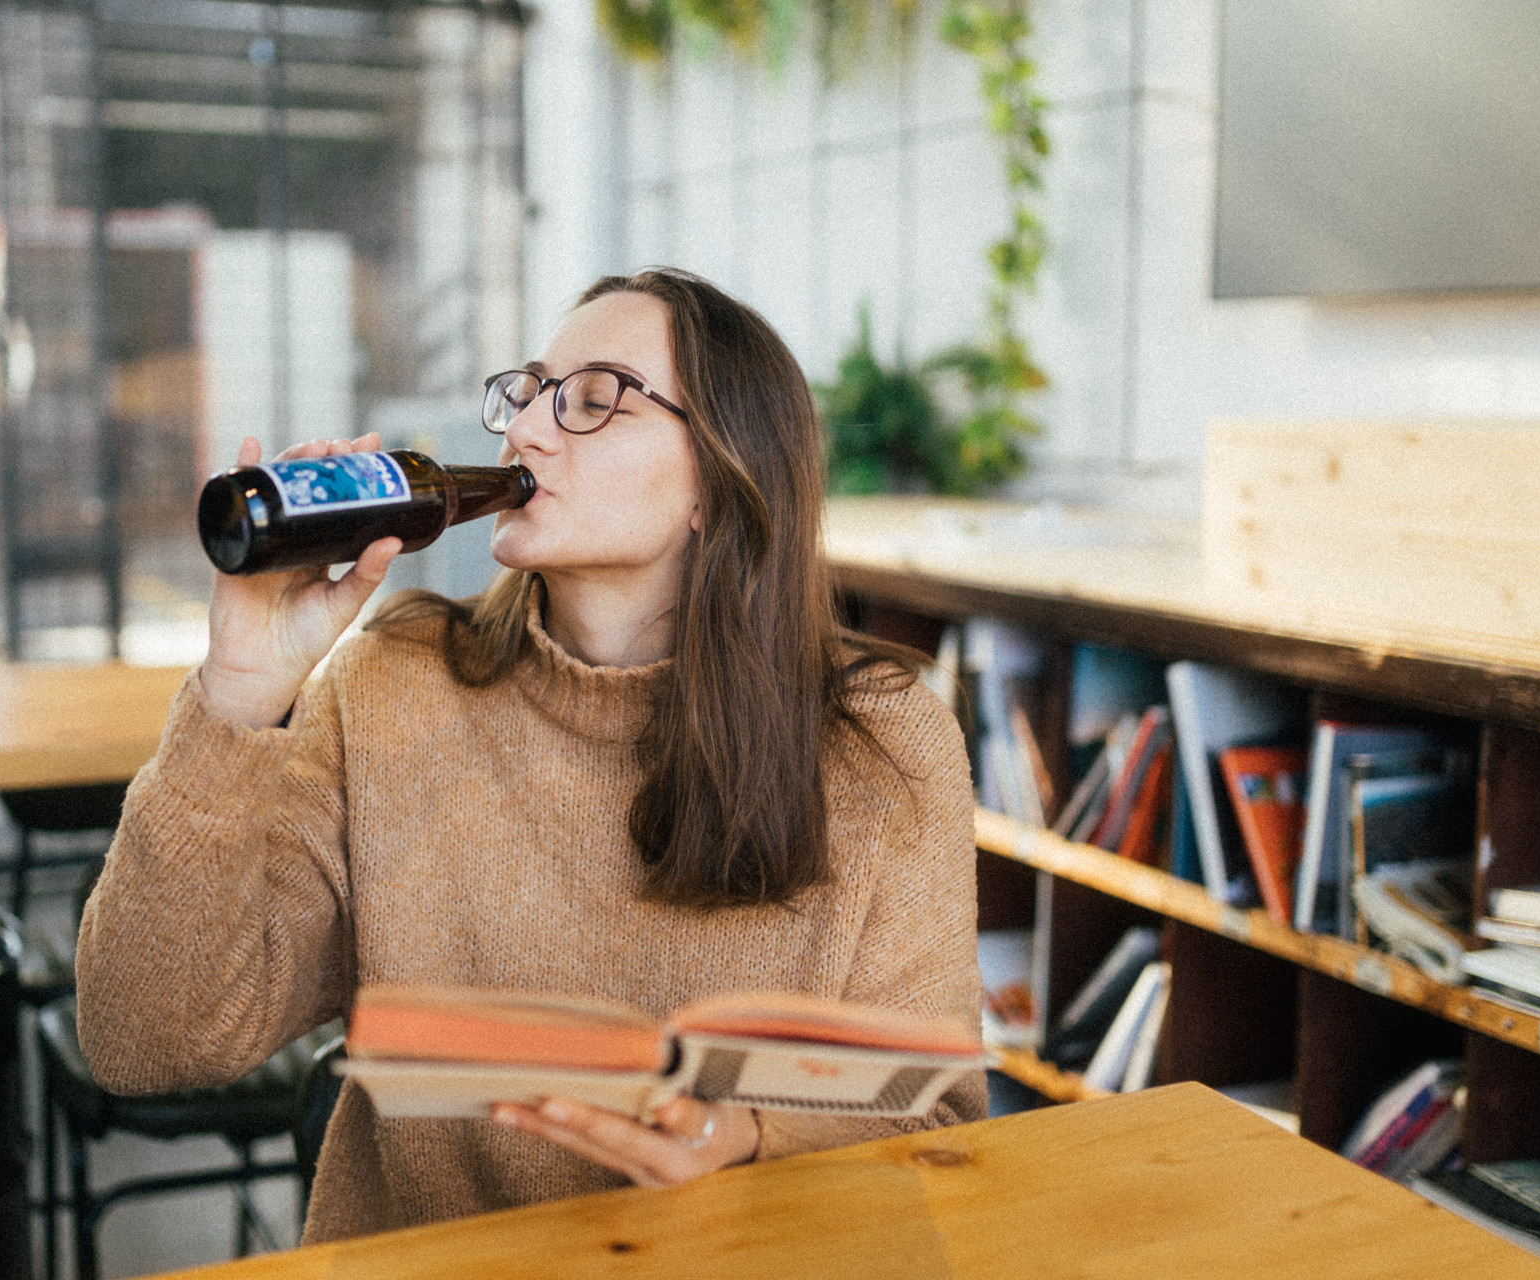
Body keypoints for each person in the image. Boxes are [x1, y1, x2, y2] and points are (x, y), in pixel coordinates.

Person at [74, 267, 984, 1244]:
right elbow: (144, 1038)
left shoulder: (884, 743)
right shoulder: (391, 688)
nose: (526, 432)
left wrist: (751, 1136)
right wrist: (241, 695)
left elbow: (932, 1115)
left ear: (719, 487)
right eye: (531, 392)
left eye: (594, 401)